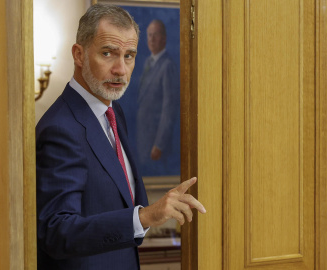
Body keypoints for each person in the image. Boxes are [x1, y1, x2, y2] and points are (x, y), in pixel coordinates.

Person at [36, 4, 206, 270]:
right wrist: (146, 215)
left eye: (129, 56)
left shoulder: (115, 113)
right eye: (108, 53)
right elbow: (57, 232)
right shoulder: (61, 128)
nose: (121, 69)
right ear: (79, 55)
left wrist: (146, 216)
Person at [136, 19, 180, 176]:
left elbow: (169, 110)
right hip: (143, 138)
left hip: (156, 143)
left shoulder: (167, 66)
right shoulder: (149, 61)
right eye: (149, 35)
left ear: (164, 38)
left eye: (155, 35)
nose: (152, 39)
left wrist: (159, 145)